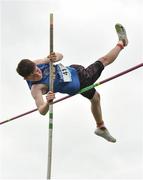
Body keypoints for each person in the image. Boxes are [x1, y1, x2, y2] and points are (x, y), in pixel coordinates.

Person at [16, 23, 128, 143]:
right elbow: (42, 110)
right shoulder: (36, 88)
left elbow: (60, 56)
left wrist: (55, 57)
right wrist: (48, 102)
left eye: (36, 70)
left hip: (74, 70)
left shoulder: (37, 63)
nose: (38, 74)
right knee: (103, 61)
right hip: (80, 82)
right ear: (26, 78)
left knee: (95, 98)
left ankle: (100, 127)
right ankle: (122, 42)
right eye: (34, 76)